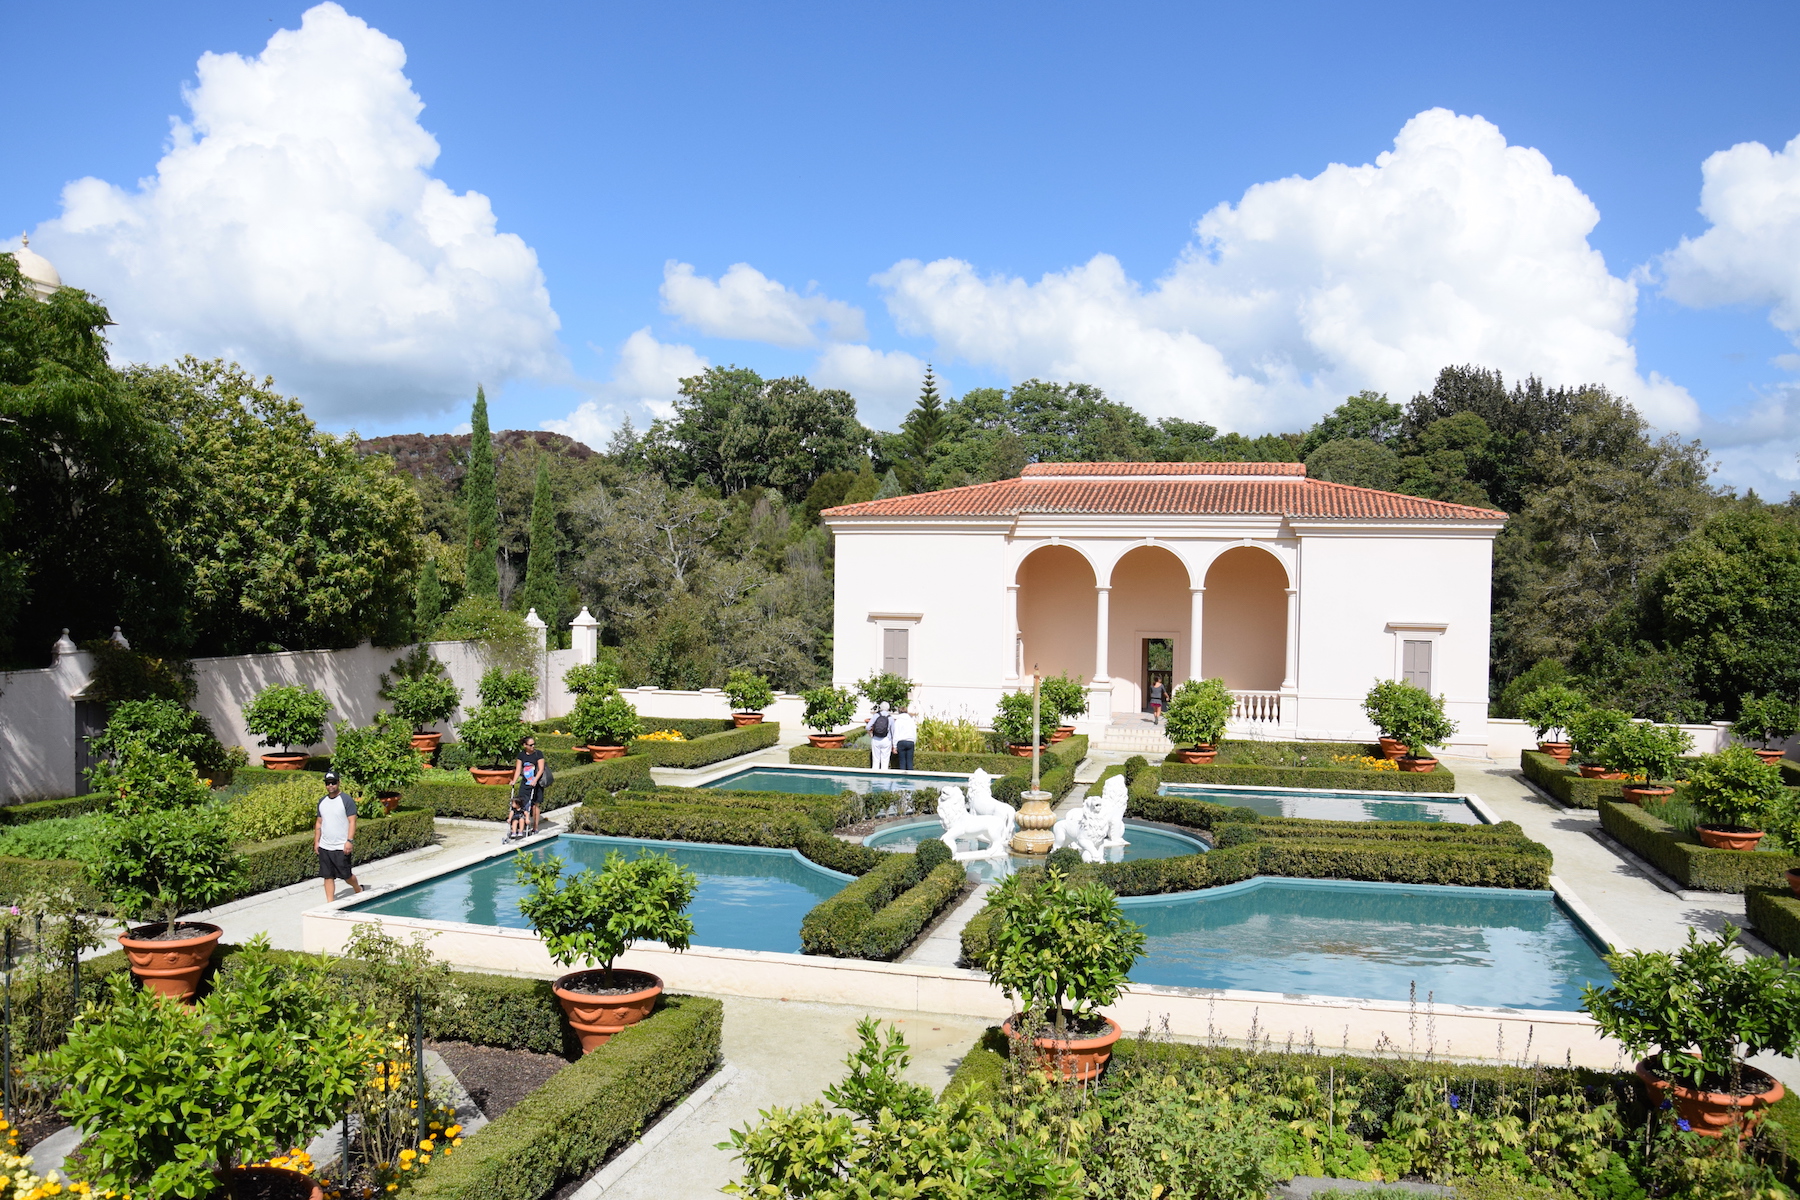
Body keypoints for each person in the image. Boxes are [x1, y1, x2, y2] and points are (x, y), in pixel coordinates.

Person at [314, 772, 363, 902]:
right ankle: (330, 902)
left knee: (346, 876)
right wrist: (316, 841)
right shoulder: (322, 802)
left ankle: (358, 888)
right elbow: (319, 822)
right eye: (328, 783)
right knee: (327, 876)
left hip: (341, 846)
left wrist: (349, 841)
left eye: (333, 782)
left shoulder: (346, 800)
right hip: (325, 846)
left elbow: (352, 821)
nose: (330, 785)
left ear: (338, 783)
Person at [510, 734, 551, 834]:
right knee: (522, 803)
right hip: (525, 782)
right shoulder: (521, 755)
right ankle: (521, 826)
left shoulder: (538, 754)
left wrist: (535, 780)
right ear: (525, 745)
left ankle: (535, 827)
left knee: (535, 805)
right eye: (531, 745)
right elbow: (518, 769)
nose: (533, 746)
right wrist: (514, 780)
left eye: (534, 744)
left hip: (536, 783)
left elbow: (541, 769)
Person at [506, 761, 536, 842]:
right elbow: (511, 814)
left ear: (518, 804)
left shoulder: (522, 808)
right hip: (515, 818)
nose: (512, 805)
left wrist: (527, 819)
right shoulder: (513, 810)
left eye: (513, 804)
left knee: (522, 821)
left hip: (521, 818)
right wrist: (509, 819)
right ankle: (514, 832)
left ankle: (520, 832)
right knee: (515, 822)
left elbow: (526, 813)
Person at [866, 702, 894, 772]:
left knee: (876, 760)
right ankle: (884, 779)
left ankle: (875, 778)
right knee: (885, 760)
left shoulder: (876, 716)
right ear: (888, 708)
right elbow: (893, 731)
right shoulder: (890, 718)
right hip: (886, 740)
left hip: (876, 739)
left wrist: (871, 734)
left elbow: (867, 727)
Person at [891, 706, 918, 772]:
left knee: (902, 761)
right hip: (910, 741)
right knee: (909, 761)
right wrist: (913, 742)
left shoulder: (898, 721)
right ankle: (910, 777)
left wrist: (894, 746)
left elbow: (896, 734)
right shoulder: (911, 720)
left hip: (901, 742)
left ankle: (902, 778)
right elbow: (914, 732)